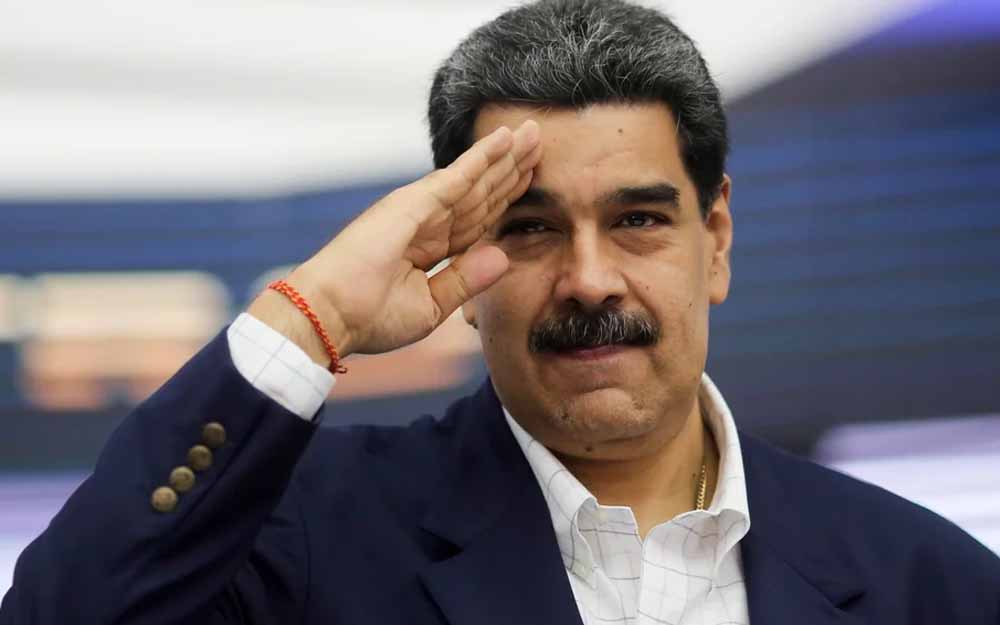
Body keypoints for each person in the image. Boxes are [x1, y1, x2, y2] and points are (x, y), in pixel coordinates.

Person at [3, 0, 998, 623]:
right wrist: (315, 312)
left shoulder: (928, 582)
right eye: (528, 228)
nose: (590, 280)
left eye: (638, 220)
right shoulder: (303, 535)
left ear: (718, 239)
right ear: (459, 264)